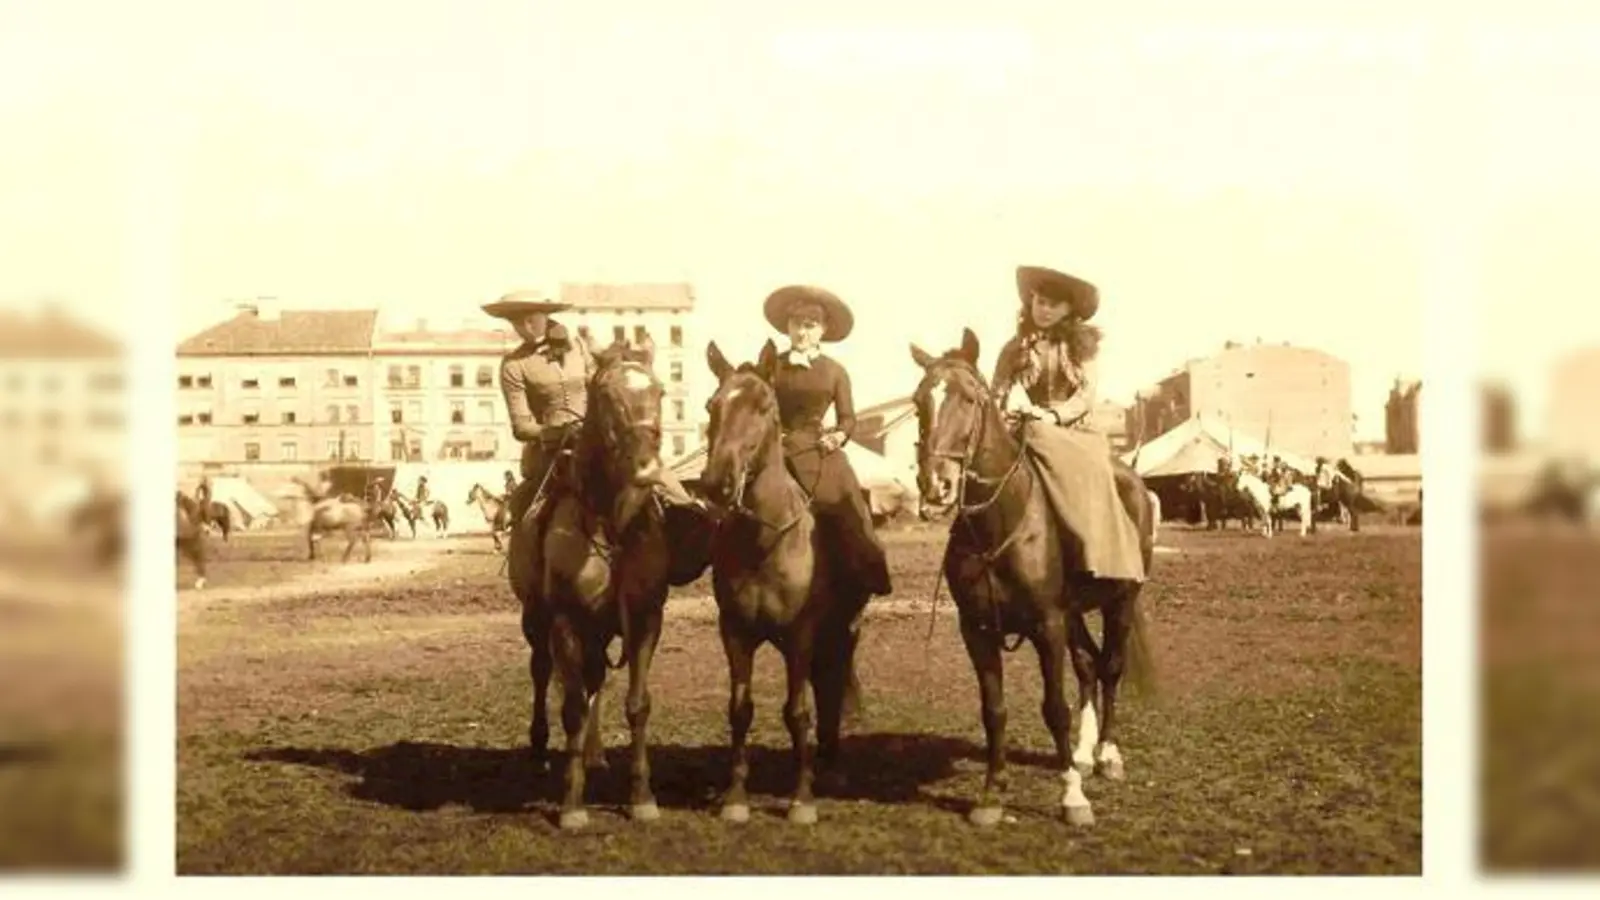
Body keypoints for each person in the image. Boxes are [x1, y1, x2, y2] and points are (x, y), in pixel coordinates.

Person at [483, 290, 701, 539]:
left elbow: (601, 386)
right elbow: (521, 426)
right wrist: (555, 432)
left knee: (662, 480)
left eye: (531, 318)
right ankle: (528, 558)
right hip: (551, 452)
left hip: (597, 438)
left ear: (545, 315)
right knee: (525, 517)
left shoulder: (578, 347)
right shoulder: (513, 365)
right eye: (517, 322)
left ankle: (693, 526)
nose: (525, 326)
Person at [990, 266, 1147, 583]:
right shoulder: (1014, 347)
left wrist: (1052, 416)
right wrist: (1004, 413)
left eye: (1053, 305)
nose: (1044, 310)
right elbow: (997, 391)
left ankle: (1092, 550)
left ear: (1068, 309)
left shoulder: (1081, 346)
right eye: (1040, 302)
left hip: (1073, 430)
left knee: (1092, 471)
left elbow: (1086, 396)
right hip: (1027, 426)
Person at [762, 285, 893, 597]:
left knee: (848, 503)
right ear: (787, 327)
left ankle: (865, 569)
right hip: (774, 446)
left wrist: (837, 436)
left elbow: (848, 418)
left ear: (823, 330)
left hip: (817, 449)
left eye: (810, 326)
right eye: (796, 324)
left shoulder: (835, 372)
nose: (802, 332)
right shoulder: (772, 366)